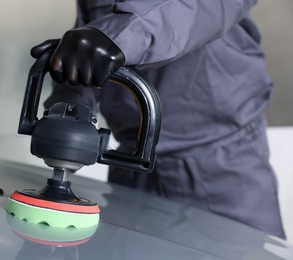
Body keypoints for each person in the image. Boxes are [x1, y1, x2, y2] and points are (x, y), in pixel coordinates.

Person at [31, 0, 286, 238]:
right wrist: (71, 96)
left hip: (221, 171)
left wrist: (120, 35)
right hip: (132, 169)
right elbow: (99, 28)